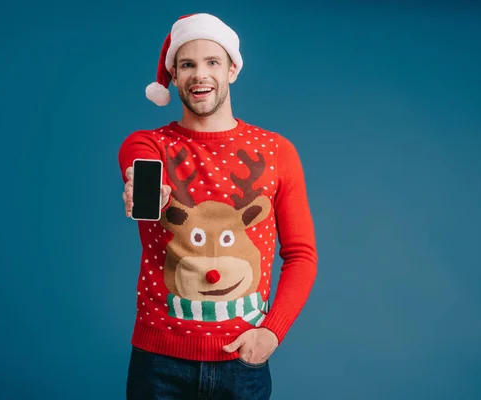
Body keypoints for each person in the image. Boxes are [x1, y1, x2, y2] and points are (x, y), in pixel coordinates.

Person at [118, 13, 318, 399]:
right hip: (158, 362)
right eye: (187, 64)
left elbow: (301, 255)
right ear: (173, 75)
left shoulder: (277, 151)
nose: (200, 75)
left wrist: (272, 331)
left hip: (243, 365)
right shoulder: (149, 146)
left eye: (212, 62)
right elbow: (135, 159)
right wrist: (141, 186)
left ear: (232, 70)